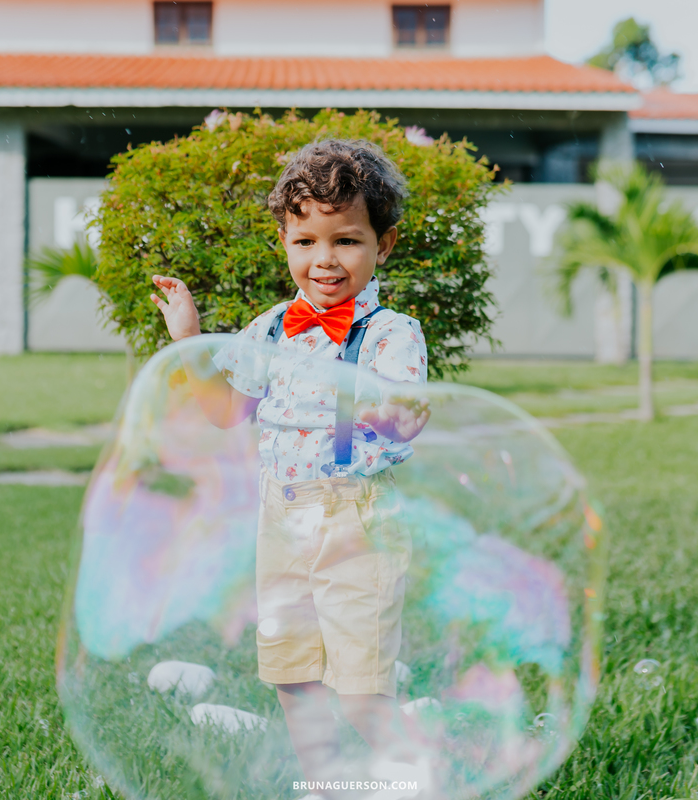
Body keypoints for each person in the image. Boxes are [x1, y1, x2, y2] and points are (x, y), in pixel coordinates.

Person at [148, 138, 430, 792]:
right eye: (305, 241)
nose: (324, 259)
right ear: (284, 241)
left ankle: (422, 779)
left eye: (346, 241)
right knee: (293, 672)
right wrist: (188, 340)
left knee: (360, 688)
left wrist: (391, 410)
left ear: (383, 245)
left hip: (357, 519)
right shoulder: (272, 327)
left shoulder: (391, 334)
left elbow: (405, 413)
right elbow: (228, 412)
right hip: (282, 515)